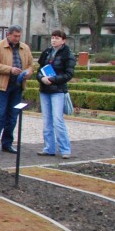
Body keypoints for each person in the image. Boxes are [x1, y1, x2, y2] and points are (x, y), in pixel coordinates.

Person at [0, 25, 34, 155]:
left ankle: (7, 143)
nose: (17, 38)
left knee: (13, 116)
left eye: (19, 36)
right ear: (8, 35)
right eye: (15, 36)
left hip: (17, 86)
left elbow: (31, 65)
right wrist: (10, 69)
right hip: (2, 87)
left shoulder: (25, 48)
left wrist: (28, 72)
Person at [36, 29, 76, 159]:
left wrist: (53, 79)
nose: (54, 40)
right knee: (47, 120)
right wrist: (42, 78)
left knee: (58, 120)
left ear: (63, 40)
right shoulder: (47, 53)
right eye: (53, 37)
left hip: (58, 91)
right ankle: (49, 148)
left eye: (57, 38)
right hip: (45, 90)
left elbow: (68, 74)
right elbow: (39, 70)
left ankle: (65, 149)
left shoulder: (67, 54)